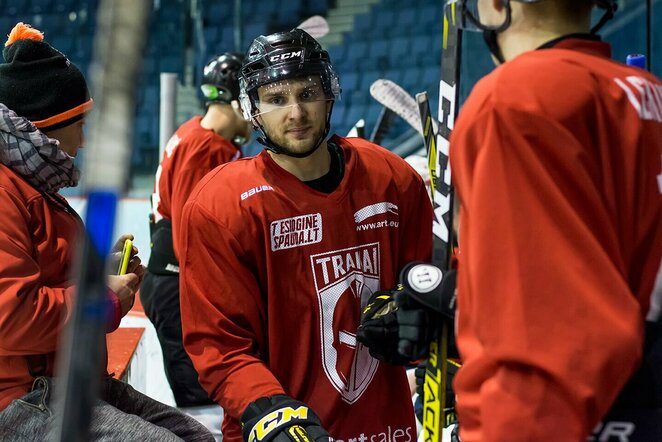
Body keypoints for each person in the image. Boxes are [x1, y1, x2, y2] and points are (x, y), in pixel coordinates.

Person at [363, 1, 662, 441]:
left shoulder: (513, 100)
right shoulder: (645, 89)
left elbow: (540, 336)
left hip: (576, 418)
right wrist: (469, 300)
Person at [176, 28, 434, 442]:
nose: (295, 112)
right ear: (253, 108)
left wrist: (411, 309)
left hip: (385, 429)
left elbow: (424, 280)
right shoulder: (221, 205)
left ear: (329, 94)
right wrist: (272, 413)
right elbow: (220, 347)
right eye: (277, 99)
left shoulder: (392, 179)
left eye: (307, 93)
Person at [0, 22, 214, 441]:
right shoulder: (8, 192)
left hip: (67, 382)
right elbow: (11, 316)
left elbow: (52, 277)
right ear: (45, 123)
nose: (82, 139)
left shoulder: (35, 188)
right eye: (78, 122)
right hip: (22, 398)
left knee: (195, 436)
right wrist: (103, 300)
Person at [140, 52, 250, 439]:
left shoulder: (194, 132)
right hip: (179, 287)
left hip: (170, 280)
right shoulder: (209, 149)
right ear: (237, 100)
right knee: (205, 412)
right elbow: (195, 234)